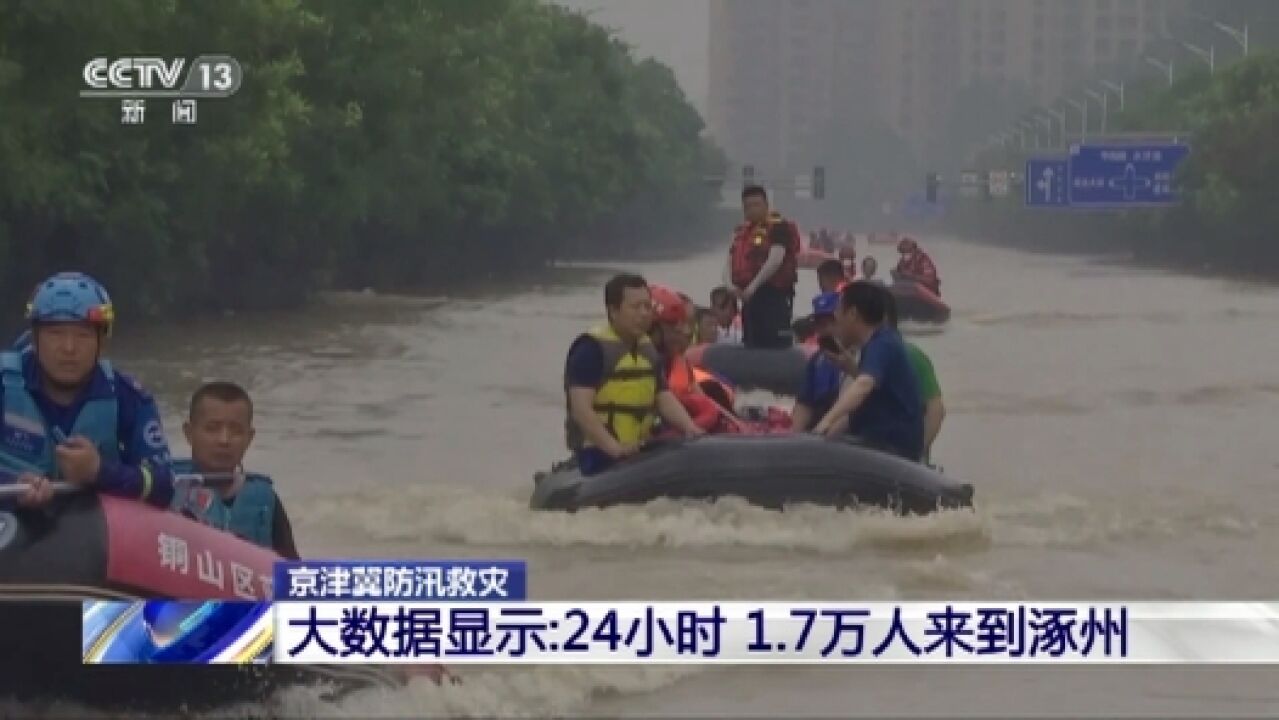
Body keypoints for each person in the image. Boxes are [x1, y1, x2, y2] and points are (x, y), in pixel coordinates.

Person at [3, 272, 177, 508]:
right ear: (34, 338)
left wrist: (100, 472)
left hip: (94, 532)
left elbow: (165, 484)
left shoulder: (127, 398)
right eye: (55, 334)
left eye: (83, 335)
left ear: (102, 342)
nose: (69, 348)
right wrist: (16, 485)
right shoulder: (5, 385)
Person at [563, 274, 705, 475]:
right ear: (613, 311)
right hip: (597, 455)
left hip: (639, 449)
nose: (644, 314)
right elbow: (581, 410)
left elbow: (663, 397)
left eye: (647, 307)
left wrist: (690, 428)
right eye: (635, 307)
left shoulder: (648, 350)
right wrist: (615, 448)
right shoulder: (591, 350)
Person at [171, 381, 299, 559]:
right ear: (189, 433)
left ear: (249, 437)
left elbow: (292, 568)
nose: (224, 440)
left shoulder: (265, 499)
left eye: (236, 431)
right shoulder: (167, 487)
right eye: (212, 429)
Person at [810, 282, 924, 462]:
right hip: (876, 438)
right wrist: (852, 369)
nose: (836, 317)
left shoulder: (882, 344)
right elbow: (877, 393)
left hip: (892, 446)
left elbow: (863, 386)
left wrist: (825, 423)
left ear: (853, 314)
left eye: (839, 311)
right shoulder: (876, 344)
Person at [724, 185, 801, 349]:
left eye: (756, 205)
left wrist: (753, 287)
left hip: (773, 296)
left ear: (766, 205)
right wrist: (730, 287)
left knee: (776, 343)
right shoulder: (740, 233)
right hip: (747, 299)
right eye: (747, 206)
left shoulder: (779, 227)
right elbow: (729, 262)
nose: (752, 210)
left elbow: (775, 259)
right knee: (751, 341)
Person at [882, 289, 946, 463]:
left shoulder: (912, 356)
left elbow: (936, 410)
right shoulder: (852, 357)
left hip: (903, 458)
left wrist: (918, 451)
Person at [790, 292, 847, 432]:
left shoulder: (860, 358)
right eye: (820, 324)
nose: (825, 329)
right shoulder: (816, 361)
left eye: (830, 322)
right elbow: (805, 404)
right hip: (819, 427)